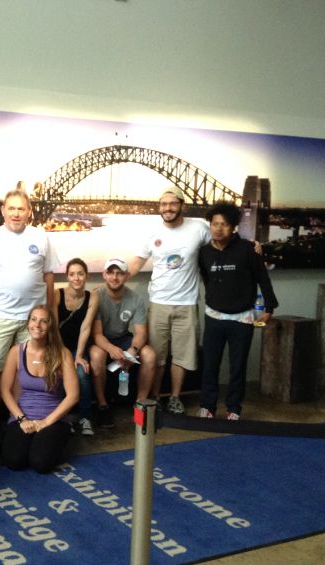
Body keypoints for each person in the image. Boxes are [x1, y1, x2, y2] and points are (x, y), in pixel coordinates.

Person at [0, 189, 59, 429]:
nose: (16, 213)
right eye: (11, 208)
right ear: (3, 211)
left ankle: (19, 412)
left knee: (25, 368)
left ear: (29, 212)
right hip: (0, 314)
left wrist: (50, 312)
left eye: (21, 208)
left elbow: (49, 275)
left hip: (32, 319)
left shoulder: (41, 237)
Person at [126, 187, 211, 415]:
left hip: (188, 302)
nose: (167, 208)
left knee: (182, 356)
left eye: (173, 204)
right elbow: (137, 262)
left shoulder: (199, 228)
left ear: (182, 205)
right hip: (159, 302)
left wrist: (249, 246)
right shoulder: (152, 233)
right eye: (163, 204)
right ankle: (156, 397)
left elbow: (221, 245)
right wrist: (117, 278)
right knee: (157, 356)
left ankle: (175, 397)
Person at [198, 202, 278, 420]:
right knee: (210, 366)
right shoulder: (204, 252)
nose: (218, 228)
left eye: (224, 224)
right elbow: (208, 279)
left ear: (233, 226)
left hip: (242, 319)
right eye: (215, 224)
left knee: (237, 367)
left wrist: (269, 307)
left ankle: (234, 408)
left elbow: (263, 278)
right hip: (214, 317)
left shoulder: (247, 249)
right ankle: (208, 406)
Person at [1, 305, 78, 473]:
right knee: (13, 460)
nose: (38, 325)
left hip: (53, 418)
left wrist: (45, 422)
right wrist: (22, 420)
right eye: (34, 320)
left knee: (40, 463)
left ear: (50, 325)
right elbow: (5, 391)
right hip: (24, 417)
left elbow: (73, 396)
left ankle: (57, 438)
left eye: (43, 321)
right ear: (28, 324)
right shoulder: (16, 351)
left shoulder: (62, 353)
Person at [89, 259, 158, 428]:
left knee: (149, 354)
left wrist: (133, 350)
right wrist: (111, 349)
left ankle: (140, 404)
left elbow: (141, 333)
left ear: (126, 276)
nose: (115, 277)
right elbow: (97, 335)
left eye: (119, 273)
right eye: (111, 273)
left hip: (124, 338)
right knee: (97, 355)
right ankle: (102, 405)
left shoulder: (136, 299)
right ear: (104, 275)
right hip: (103, 340)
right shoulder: (96, 296)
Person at [53, 257, 99, 436]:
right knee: (59, 373)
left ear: (86, 276)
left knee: (81, 371)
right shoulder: (58, 294)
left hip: (78, 347)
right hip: (57, 346)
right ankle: (63, 418)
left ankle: (85, 417)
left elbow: (86, 327)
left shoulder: (92, 297)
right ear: (67, 276)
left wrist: (78, 356)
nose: (76, 278)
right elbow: (54, 327)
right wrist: (61, 354)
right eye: (72, 274)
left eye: (80, 274)